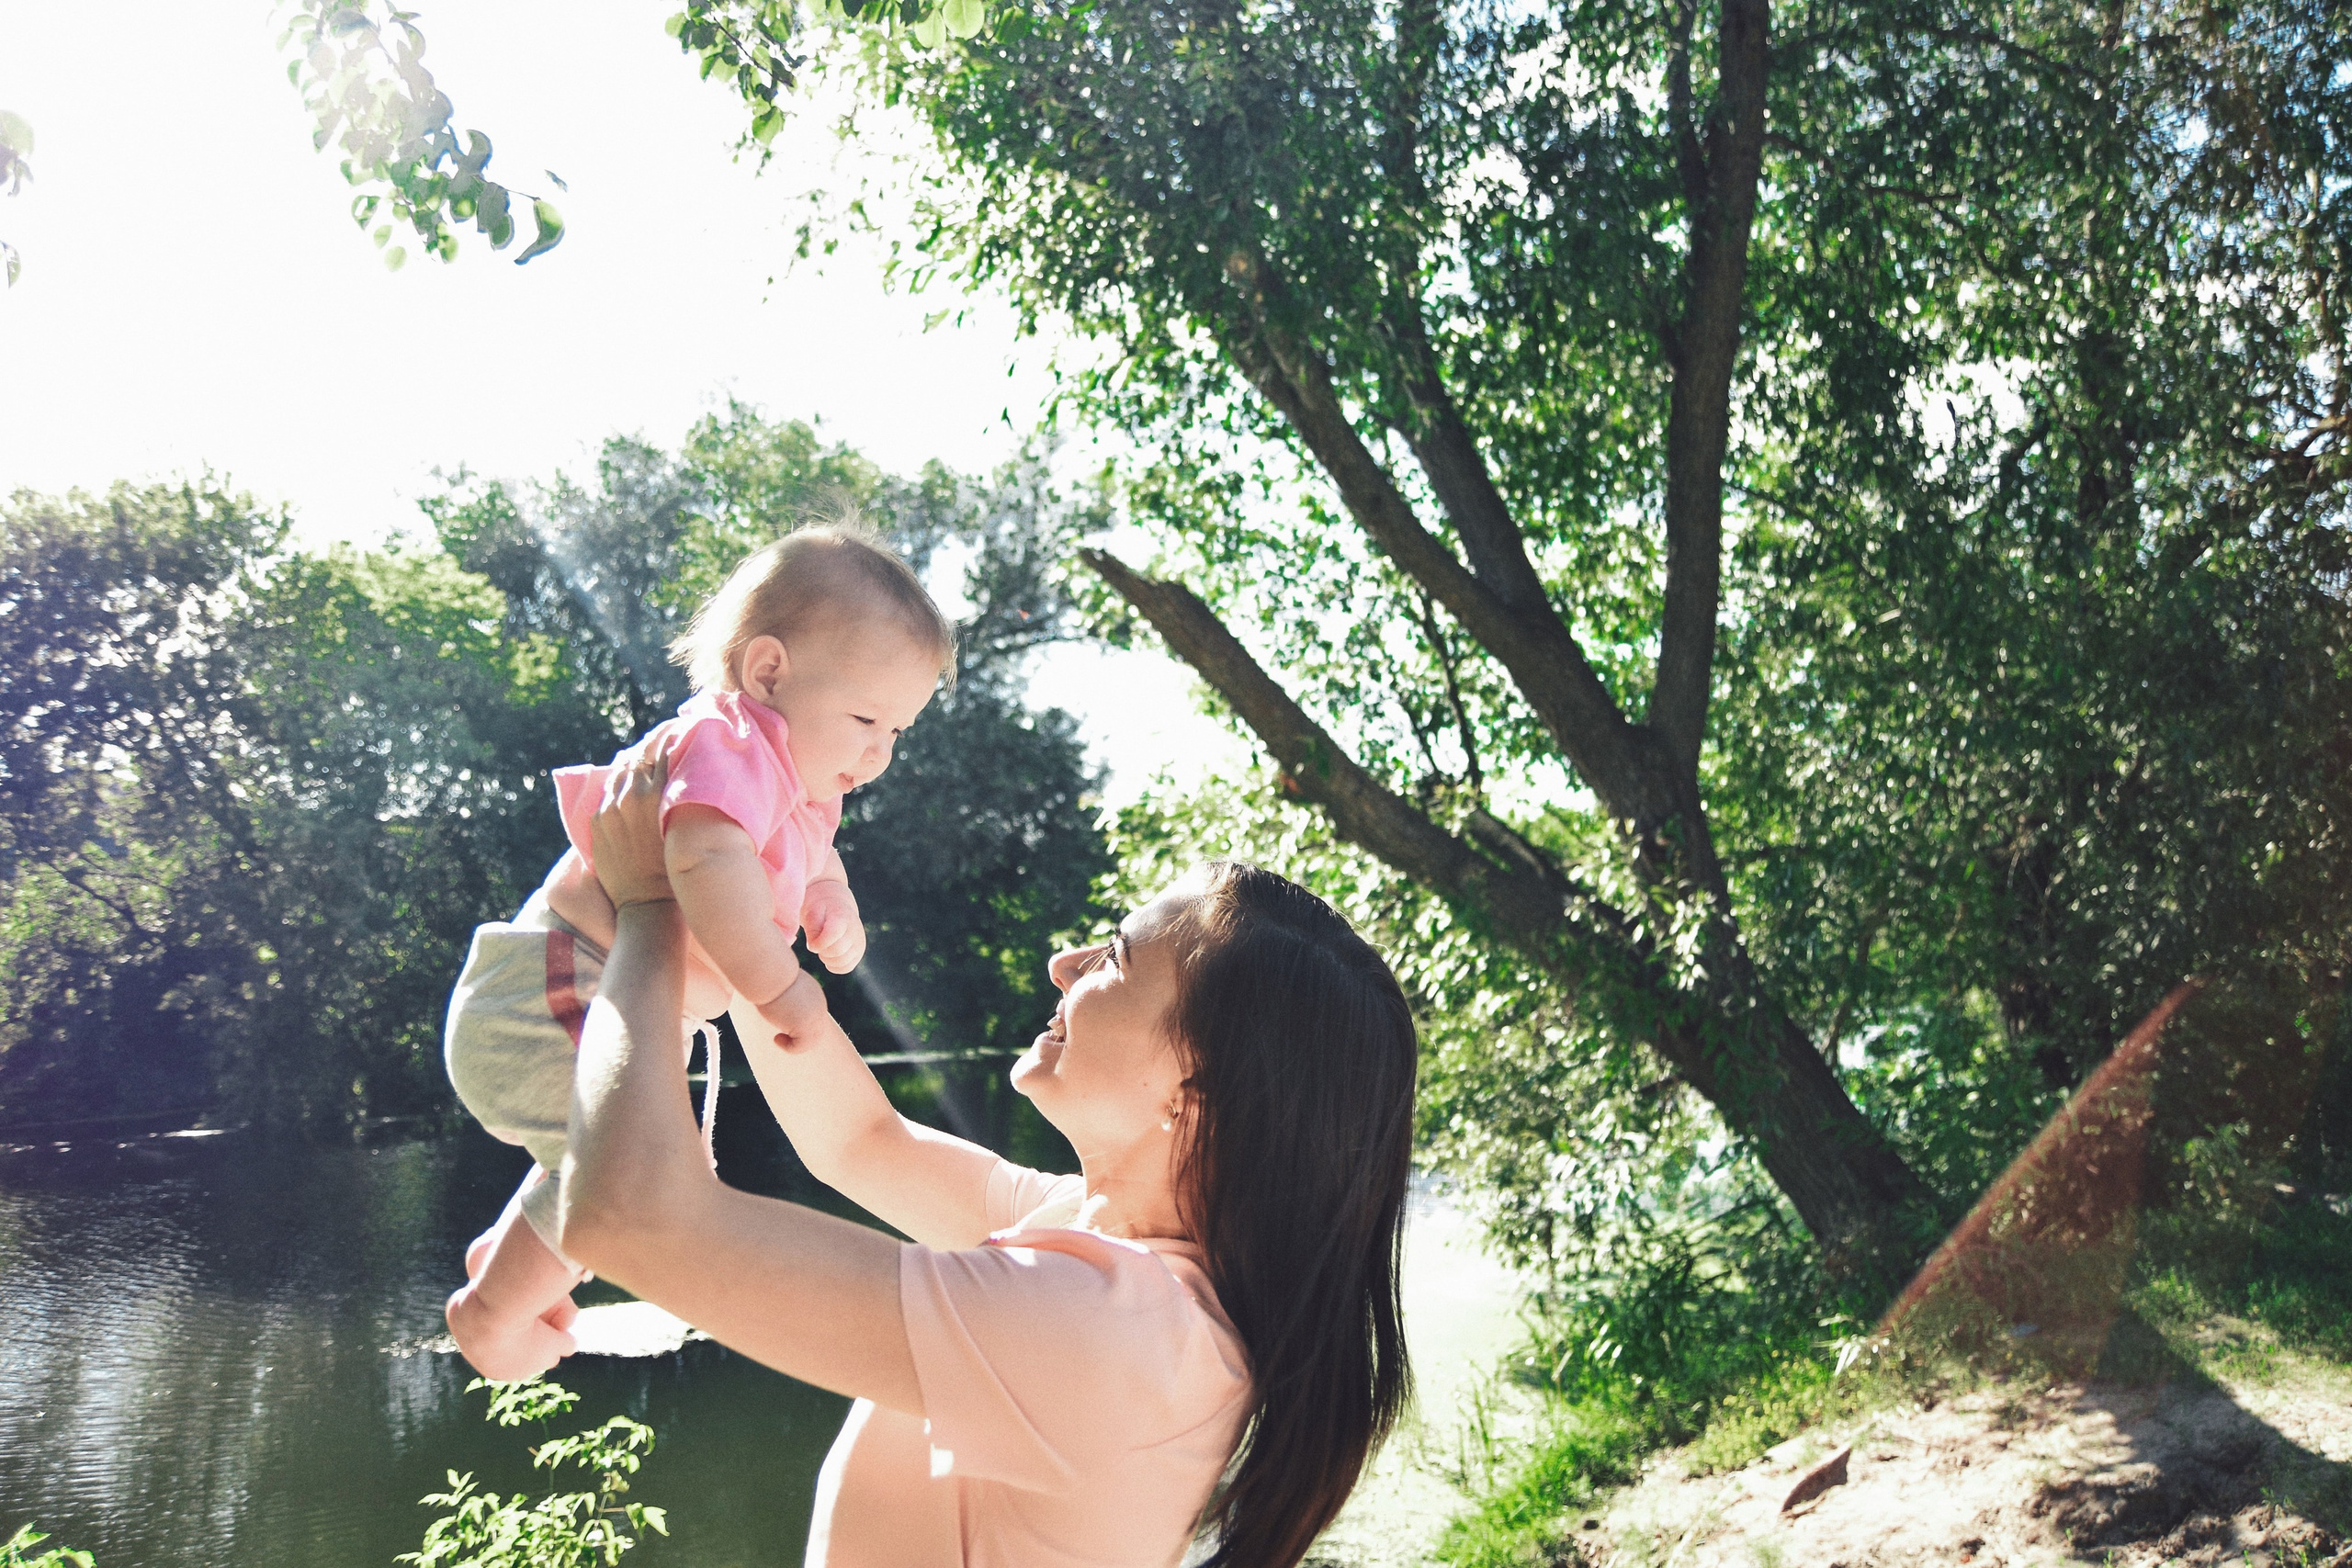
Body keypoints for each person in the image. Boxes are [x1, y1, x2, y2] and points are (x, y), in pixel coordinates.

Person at [550, 752, 1419, 1568]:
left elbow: (632, 1218)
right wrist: (736, 903)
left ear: (1192, 1094)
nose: (1062, 964)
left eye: (1114, 957)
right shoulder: (1101, 1245)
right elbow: (861, 1141)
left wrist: (651, 913)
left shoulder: (1111, 1329)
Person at [441, 522, 956, 1380]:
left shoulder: (794, 786)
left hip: (598, 995)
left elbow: (812, 858)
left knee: (640, 1169)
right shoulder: (724, 744)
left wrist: (832, 904)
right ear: (767, 673)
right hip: (550, 988)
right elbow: (703, 860)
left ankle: (508, 1255)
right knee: (624, 1169)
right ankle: (490, 1314)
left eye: (897, 731)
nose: (879, 751)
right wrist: (776, 983)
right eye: (866, 717)